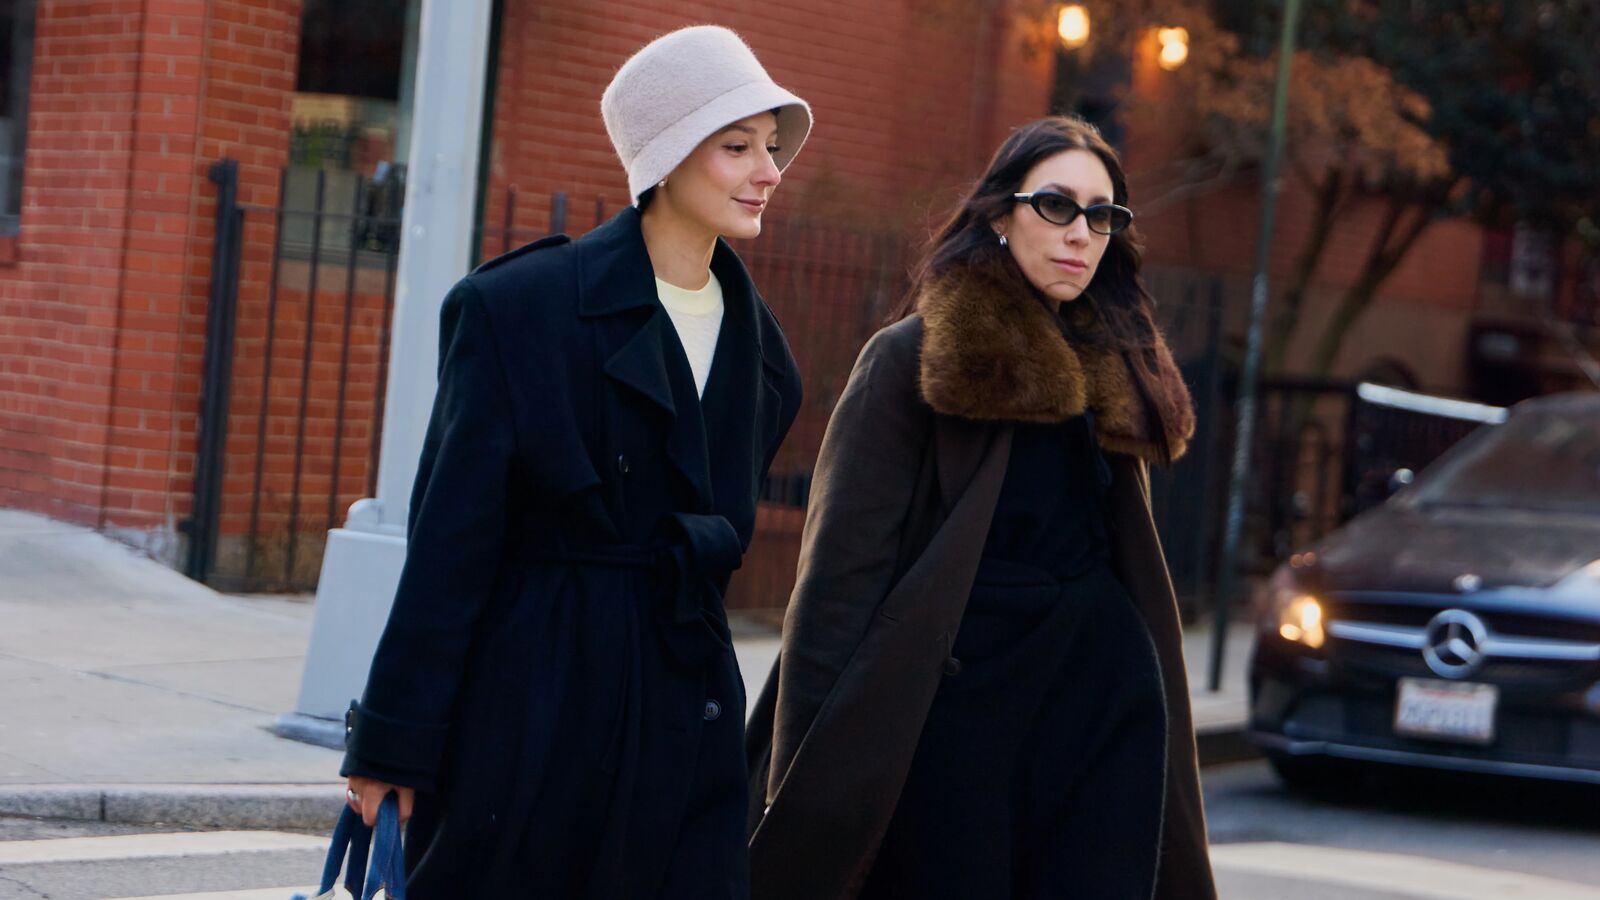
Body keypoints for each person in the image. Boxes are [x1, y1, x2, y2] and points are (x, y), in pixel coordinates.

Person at [339, 25, 810, 898]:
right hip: (534, 706)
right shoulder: (519, 311)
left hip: (686, 707)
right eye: (736, 145)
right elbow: (452, 548)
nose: (768, 171)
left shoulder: (768, 358)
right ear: (667, 155)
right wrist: (394, 742)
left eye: (771, 147)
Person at [745, 116, 1217, 899]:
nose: (1082, 234)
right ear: (1001, 213)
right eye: (1057, 206)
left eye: (1103, 215)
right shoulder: (911, 359)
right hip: (957, 721)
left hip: (1101, 715)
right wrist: (803, 773)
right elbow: (837, 583)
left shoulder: (1110, 368)